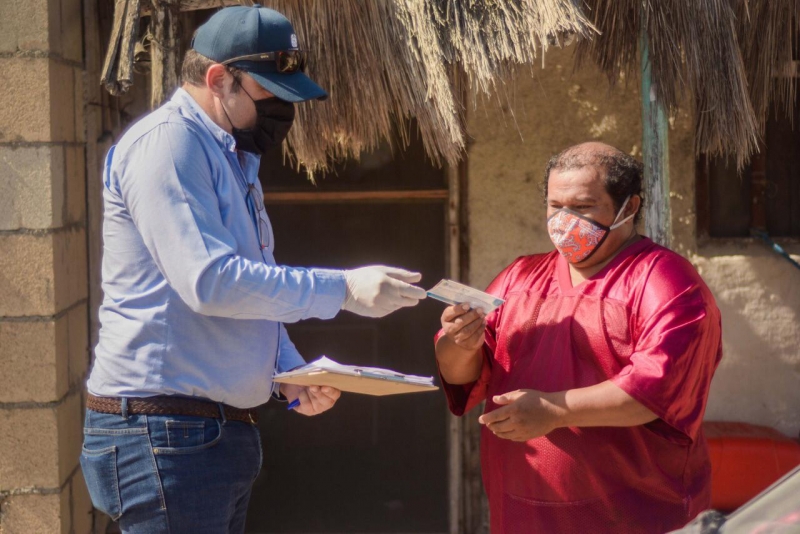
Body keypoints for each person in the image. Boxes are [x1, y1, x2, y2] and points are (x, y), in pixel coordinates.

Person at [80, 6, 426, 533]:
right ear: (219, 79)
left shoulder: (230, 154)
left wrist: (286, 371)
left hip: (202, 434)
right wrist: (346, 288)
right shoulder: (169, 145)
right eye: (270, 91)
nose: (284, 107)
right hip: (164, 432)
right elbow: (211, 282)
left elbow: (246, 285)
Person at [435, 142, 723, 533]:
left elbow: (654, 391)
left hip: (636, 516)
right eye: (556, 206)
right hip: (520, 514)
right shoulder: (519, 277)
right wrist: (459, 342)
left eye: (583, 207)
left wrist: (556, 411)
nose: (564, 220)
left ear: (630, 207)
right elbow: (461, 376)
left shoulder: (666, 282)